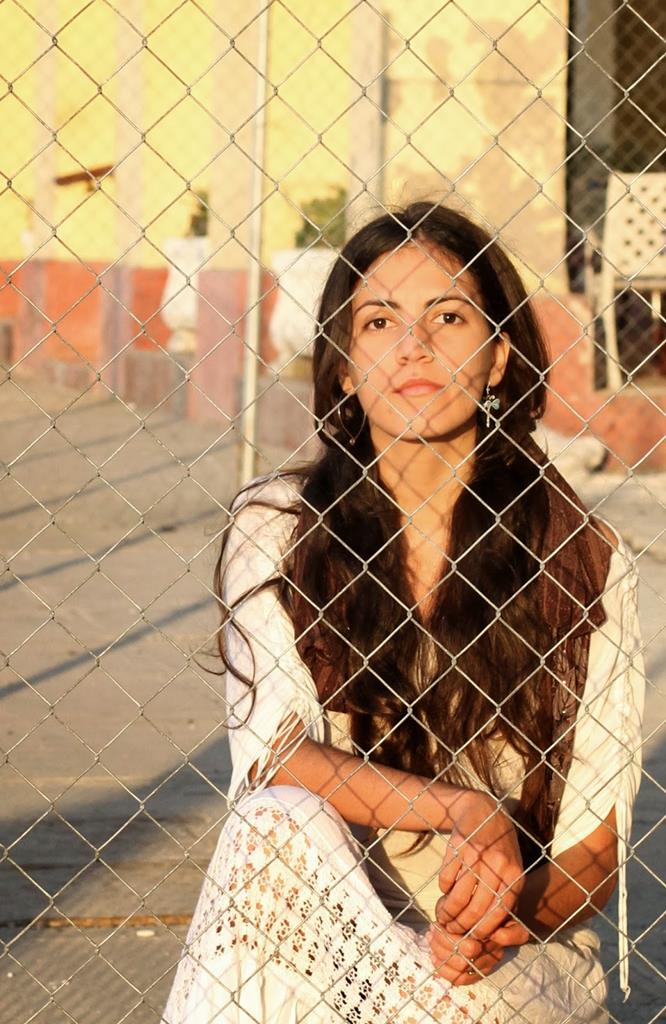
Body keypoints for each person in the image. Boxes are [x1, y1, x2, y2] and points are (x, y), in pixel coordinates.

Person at [161, 203, 645, 1024]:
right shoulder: (279, 529)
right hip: (332, 933)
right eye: (379, 322)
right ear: (345, 367)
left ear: (498, 357)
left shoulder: (582, 559)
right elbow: (274, 758)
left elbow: (594, 852)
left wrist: (495, 920)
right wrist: (464, 809)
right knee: (269, 829)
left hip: (504, 959)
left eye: (448, 317)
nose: (413, 346)